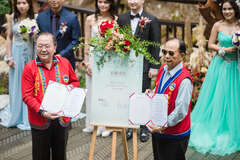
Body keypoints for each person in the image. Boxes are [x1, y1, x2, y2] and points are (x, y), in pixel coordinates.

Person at [189, 0, 240, 155]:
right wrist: (222, 49)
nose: (227, 12)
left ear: (235, 9)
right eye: (224, 9)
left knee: (234, 99)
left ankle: (232, 129)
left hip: (236, 66)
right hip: (221, 65)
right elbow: (210, 44)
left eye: (230, 9)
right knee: (219, 97)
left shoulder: (239, 25)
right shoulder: (218, 25)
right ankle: (217, 127)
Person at [21, 32, 80, 160]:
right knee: (40, 156)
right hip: (40, 120)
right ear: (36, 47)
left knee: (60, 155)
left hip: (62, 119)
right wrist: (42, 111)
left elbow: (74, 82)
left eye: (47, 46)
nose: (43, 49)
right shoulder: (29, 68)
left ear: (55, 47)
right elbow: (27, 96)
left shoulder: (64, 63)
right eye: (39, 46)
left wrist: (71, 88)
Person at [117, 0, 160, 142]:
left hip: (144, 66)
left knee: (143, 95)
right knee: (128, 95)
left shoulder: (152, 20)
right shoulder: (121, 18)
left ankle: (143, 128)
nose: (133, 1)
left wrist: (154, 66)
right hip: (125, 65)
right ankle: (130, 126)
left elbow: (155, 44)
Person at [146, 38, 193, 160]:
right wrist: (152, 93)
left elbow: (181, 111)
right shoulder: (163, 69)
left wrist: (163, 125)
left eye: (171, 53)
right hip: (159, 129)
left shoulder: (184, 80)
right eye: (164, 52)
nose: (166, 56)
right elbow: (159, 89)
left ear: (182, 55)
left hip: (174, 134)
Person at [82, 0, 116, 137]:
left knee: (106, 91)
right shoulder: (90, 19)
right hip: (93, 57)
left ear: (111, 4)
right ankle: (92, 123)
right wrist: (86, 62)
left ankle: (106, 125)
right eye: (100, 2)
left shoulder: (115, 20)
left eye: (106, 2)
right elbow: (87, 41)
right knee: (92, 90)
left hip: (108, 58)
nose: (102, 5)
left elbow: (117, 41)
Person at [0, 0, 36, 130]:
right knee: (17, 85)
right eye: (19, 3)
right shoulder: (12, 17)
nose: (21, 6)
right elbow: (9, 37)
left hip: (29, 54)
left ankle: (28, 117)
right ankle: (17, 116)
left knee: (29, 85)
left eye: (24, 3)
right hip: (16, 54)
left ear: (29, 5)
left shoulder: (34, 18)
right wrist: (9, 56)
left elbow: (36, 40)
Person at [37, 0, 81, 70]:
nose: (54, 1)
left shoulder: (72, 17)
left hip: (65, 60)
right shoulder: (40, 17)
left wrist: (61, 54)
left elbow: (76, 40)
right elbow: (38, 38)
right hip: (44, 61)